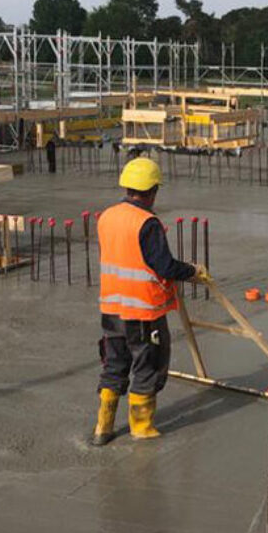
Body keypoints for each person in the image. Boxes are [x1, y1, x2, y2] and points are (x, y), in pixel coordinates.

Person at [91, 157, 203, 445]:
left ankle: (103, 427)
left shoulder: (107, 216)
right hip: (141, 312)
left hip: (111, 308)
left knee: (114, 364)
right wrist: (191, 271)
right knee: (148, 365)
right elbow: (163, 266)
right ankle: (141, 426)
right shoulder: (147, 223)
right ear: (153, 189)